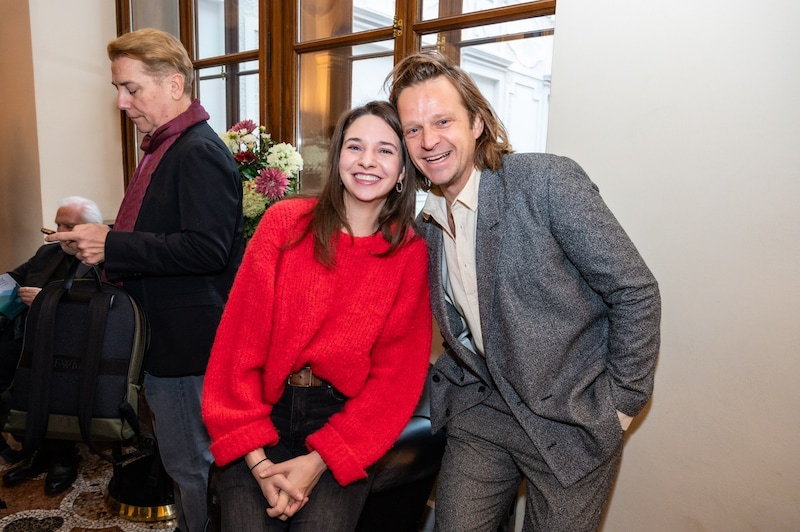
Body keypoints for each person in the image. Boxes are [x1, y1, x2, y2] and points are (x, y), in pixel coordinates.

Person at [387, 51, 662, 531]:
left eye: (442, 121)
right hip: (484, 412)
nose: (428, 141)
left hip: (572, 421)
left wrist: (618, 409)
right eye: (413, 129)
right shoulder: (428, 223)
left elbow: (635, 291)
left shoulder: (545, 181)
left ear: (477, 122)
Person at [45, 28, 244, 531]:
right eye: (118, 88)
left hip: (187, 348)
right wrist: (100, 238)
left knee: (193, 467)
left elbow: (207, 248)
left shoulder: (196, 151)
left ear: (174, 85)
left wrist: (112, 244)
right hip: (168, 342)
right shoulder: (166, 146)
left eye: (131, 88)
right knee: (186, 465)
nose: (121, 101)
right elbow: (162, 236)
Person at [201, 100, 432, 530]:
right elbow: (238, 347)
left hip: (344, 426)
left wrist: (319, 461)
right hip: (262, 411)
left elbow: (394, 381)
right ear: (337, 157)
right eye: (354, 146)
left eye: (385, 150)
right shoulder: (285, 223)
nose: (367, 161)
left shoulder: (409, 254)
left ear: (403, 171)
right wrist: (258, 463)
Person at [1, 196, 104, 495]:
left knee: (52, 376)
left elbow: (102, 307)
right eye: (58, 223)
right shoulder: (47, 253)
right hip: (30, 338)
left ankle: (62, 455)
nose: (57, 231)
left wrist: (46, 300)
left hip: (74, 343)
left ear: (90, 228)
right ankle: (35, 447)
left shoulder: (103, 260)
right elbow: (13, 278)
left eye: (67, 225)